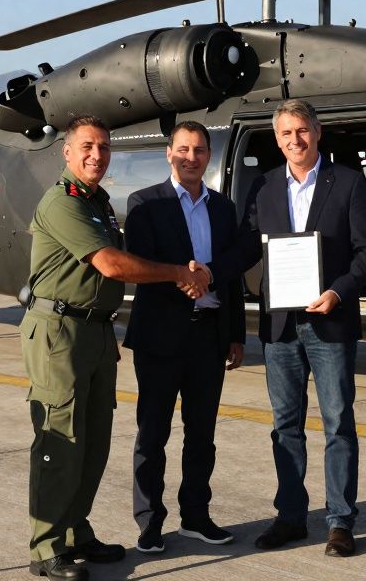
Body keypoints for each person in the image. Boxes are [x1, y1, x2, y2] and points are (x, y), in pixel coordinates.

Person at [20, 115, 210, 581]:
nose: (96, 156)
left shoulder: (98, 202)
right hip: (59, 333)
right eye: (87, 147)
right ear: (67, 152)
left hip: (95, 331)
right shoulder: (62, 202)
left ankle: (75, 531)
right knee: (60, 440)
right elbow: (110, 264)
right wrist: (179, 273)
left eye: (104, 148)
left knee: (94, 441)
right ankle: (46, 547)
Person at [235, 99, 366, 557]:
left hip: (330, 320)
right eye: (285, 134)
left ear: (317, 133)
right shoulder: (263, 187)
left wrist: (338, 291)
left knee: (338, 423)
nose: (294, 140)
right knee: (286, 426)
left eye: (302, 131)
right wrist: (200, 270)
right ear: (277, 140)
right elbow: (245, 248)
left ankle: (340, 521)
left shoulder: (349, 183)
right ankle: (291, 517)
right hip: (280, 326)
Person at [123, 120, 246, 554]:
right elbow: (141, 262)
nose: (190, 157)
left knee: (202, 435)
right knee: (152, 434)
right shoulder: (144, 203)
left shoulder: (222, 208)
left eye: (198, 151)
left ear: (209, 156)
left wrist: (235, 334)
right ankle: (150, 521)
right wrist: (187, 279)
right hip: (160, 337)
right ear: (168, 153)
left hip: (208, 336)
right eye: (183, 149)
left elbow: (230, 274)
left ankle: (196, 516)